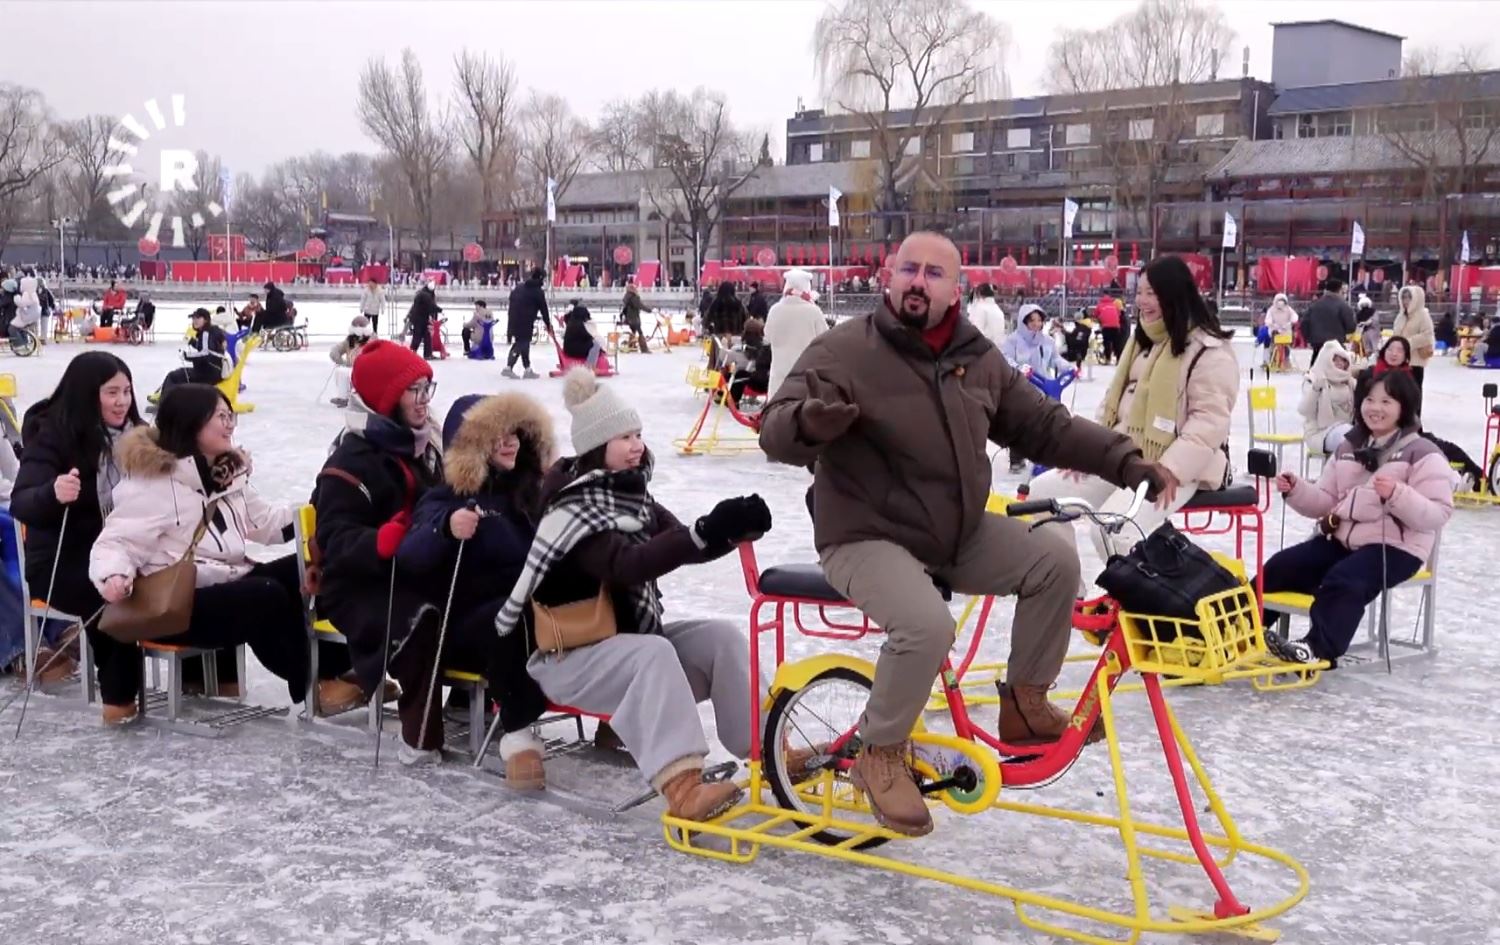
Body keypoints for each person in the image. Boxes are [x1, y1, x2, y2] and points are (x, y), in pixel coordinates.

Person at [760, 231, 1168, 837]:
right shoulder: (846, 349)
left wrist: (1124, 460)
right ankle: (880, 753)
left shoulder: (976, 359)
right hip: (863, 533)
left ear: (957, 290)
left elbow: (1045, 426)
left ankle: (1025, 703)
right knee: (926, 625)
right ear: (890, 277)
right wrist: (807, 424)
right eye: (909, 269)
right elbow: (774, 426)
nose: (918, 282)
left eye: (934, 273)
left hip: (954, 531)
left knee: (1054, 559)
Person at [494, 369, 775, 821]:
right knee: (653, 653)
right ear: (596, 446)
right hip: (568, 661)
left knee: (719, 638)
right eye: (624, 437)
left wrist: (729, 530)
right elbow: (626, 564)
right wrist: (703, 531)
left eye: (638, 434)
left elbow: (683, 543)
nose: (637, 445)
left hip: (624, 650)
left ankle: (769, 749)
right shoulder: (571, 510)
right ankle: (684, 788)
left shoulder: (631, 497)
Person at [89, 386, 360, 713]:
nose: (231, 424)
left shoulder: (228, 475)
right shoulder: (154, 484)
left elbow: (267, 524)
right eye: (221, 417)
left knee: (319, 570)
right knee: (265, 594)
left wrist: (326, 508)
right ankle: (314, 683)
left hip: (228, 582)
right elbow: (116, 541)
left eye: (230, 416)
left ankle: (341, 670)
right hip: (179, 605)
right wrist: (114, 576)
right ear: (192, 423)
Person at [1029, 255, 1238, 558]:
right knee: (1043, 495)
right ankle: (1063, 583)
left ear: (1175, 294)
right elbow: (1111, 406)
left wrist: (1169, 469)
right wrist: (1086, 454)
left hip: (1177, 467)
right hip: (1124, 457)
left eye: (1152, 293)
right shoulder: (1141, 341)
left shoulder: (1209, 351)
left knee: (1115, 529)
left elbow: (1208, 425)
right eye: (1139, 292)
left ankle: (1145, 589)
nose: (1142, 301)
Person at [399, 393, 555, 787]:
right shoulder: (447, 499)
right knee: (509, 614)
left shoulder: (529, 495)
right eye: (497, 435)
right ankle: (519, 736)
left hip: (531, 615)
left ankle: (615, 716)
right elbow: (411, 554)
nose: (510, 442)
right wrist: (446, 527)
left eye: (514, 433)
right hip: (470, 628)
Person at [1258, 370, 1454, 666]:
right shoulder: (1348, 447)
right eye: (1369, 400)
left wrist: (1398, 495)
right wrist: (1297, 489)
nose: (1375, 408)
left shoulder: (1423, 452)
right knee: (1281, 567)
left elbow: (1437, 514)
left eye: (1386, 401)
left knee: (1346, 579)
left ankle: (1317, 649)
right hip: (1344, 540)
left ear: (1404, 406)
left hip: (1397, 548)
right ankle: (1237, 633)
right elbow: (1327, 500)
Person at [311, 340, 445, 764]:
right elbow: (334, 537)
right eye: (413, 390)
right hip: (360, 582)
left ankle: (476, 705)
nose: (423, 400)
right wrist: (378, 541)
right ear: (386, 398)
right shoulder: (351, 459)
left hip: (416, 568)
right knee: (421, 616)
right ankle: (420, 737)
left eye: (427, 388)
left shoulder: (429, 444)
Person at [11, 353, 150, 723]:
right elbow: (22, 501)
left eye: (127, 391)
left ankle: (205, 679)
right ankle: (119, 702)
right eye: (111, 393)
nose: (122, 401)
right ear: (88, 395)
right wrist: (53, 493)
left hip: (129, 551)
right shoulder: (53, 436)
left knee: (198, 577)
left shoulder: (140, 436)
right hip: (64, 561)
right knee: (113, 594)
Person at [763, 269, 828, 399]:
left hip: (779, 372)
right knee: (801, 406)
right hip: (804, 373)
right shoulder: (813, 311)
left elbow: (767, 337)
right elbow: (826, 338)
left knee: (778, 405)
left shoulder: (775, 310)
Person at [1299, 340, 1357, 455]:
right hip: (1320, 432)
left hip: (1347, 428)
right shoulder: (1313, 379)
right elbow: (1305, 411)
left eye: (1343, 360)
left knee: (1357, 436)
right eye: (1335, 360)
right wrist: (1315, 390)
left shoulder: (1350, 382)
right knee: (1350, 438)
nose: (1340, 363)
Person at [157, 308, 229, 398]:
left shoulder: (206, 333)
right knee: (180, 373)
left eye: (198, 318)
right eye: (193, 318)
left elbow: (205, 353)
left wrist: (186, 355)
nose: (195, 321)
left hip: (208, 373)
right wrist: (192, 342)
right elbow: (208, 348)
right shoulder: (211, 330)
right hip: (213, 371)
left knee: (173, 376)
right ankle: (171, 397)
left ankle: (165, 401)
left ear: (206, 319)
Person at [504, 268, 551, 379]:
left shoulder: (519, 287)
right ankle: (508, 367)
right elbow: (544, 310)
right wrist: (548, 325)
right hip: (525, 320)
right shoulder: (538, 292)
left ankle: (527, 369)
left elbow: (512, 300)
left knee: (524, 343)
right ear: (541, 278)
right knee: (522, 343)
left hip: (514, 318)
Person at [1001, 304, 1071, 376]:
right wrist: (1019, 369)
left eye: (1039, 320)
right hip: (1020, 381)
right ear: (1024, 322)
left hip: (1043, 381)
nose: (1036, 324)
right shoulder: (1012, 340)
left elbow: (1055, 359)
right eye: (1032, 320)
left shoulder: (1047, 341)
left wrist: (1069, 368)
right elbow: (1006, 360)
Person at [328, 315, 375, 408]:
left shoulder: (373, 340)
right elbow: (335, 351)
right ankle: (343, 398)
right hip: (352, 368)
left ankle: (365, 397)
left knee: (345, 372)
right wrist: (342, 362)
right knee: (341, 371)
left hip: (368, 371)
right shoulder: (350, 340)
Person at [1393, 284, 1435, 386]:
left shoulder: (1423, 315)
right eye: (1403, 297)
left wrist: (1407, 343)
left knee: (1414, 390)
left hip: (1415, 361)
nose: (1405, 301)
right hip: (1400, 360)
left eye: (1409, 298)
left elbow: (1427, 335)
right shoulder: (1401, 316)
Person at [1302, 279, 1356, 359]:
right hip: (1336, 344)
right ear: (1340, 290)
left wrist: (1309, 339)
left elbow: (1304, 323)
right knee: (1336, 365)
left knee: (1317, 365)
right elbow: (1351, 327)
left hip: (1317, 344)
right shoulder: (1343, 306)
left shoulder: (1314, 305)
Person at [562, 299, 604, 369]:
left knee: (593, 345)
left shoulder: (572, 322)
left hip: (568, 348)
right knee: (596, 346)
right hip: (573, 350)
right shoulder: (579, 324)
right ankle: (590, 366)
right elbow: (587, 337)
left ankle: (590, 365)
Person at [406, 280, 441, 360]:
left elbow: (415, 307)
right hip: (420, 319)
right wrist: (440, 310)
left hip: (422, 318)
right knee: (418, 336)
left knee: (425, 336)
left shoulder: (423, 293)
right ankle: (417, 353)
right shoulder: (425, 295)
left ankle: (421, 353)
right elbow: (431, 306)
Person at [968, 283, 1007, 348]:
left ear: (979, 294)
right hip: (998, 349)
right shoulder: (998, 309)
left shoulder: (980, 308)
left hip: (983, 349)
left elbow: (976, 331)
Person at [618, 281, 652, 354]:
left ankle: (631, 345)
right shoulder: (634, 297)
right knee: (640, 332)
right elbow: (640, 306)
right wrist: (649, 310)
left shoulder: (627, 297)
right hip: (634, 318)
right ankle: (644, 348)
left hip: (628, 318)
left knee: (633, 331)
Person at [1093, 291, 1121, 364]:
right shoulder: (1114, 304)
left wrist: (1100, 320)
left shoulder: (1100, 305)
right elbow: (1118, 314)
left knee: (1107, 343)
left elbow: (1095, 315)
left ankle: (1108, 359)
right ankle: (1118, 359)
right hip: (1116, 326)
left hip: (1106, 327)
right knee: (1116, 343)